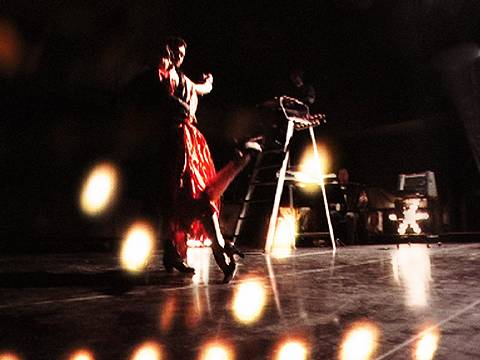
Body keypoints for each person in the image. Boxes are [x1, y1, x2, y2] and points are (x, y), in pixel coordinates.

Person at [157, 37, 261, 283]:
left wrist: (208, 83)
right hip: (175, 139)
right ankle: (215, 248)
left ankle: (214, 249)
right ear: (169, 50)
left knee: (195, 193)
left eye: (183, 53)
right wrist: (184, 106)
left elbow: (200, 89)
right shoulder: (163, 69)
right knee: (185, 195)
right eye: (177, 52)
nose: (180, 56)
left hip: (189, 139)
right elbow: (165, 96)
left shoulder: (182, 78)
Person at [327, 168, 368, 245]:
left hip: (353, 211)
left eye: (344, 174)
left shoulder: (356, 187)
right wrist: (334, 205)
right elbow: (330, 202)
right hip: (339, 212)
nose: (342, 177)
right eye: (340, 175)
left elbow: (363, 198)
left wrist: (362, 200)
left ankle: (350, 242)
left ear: (348, 176)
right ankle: (334, 240)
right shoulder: (334, 189)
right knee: (332, 215)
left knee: (349, 216)